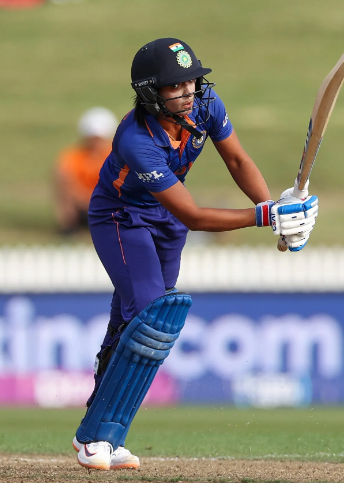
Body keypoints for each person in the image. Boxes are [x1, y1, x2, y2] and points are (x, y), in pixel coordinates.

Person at [70, 38, 318, 471]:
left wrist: (275, 215)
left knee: (137, 322)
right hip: (121, 217)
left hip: (166, 219)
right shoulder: (136, 139)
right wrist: (267, 216)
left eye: (191, 82)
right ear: (150, 92)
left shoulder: (205, 105)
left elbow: (237, 161)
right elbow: (194, 215)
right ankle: (99, 438)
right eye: (175, 86)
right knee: (151, 318)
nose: (188, 92)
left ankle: (97, 432)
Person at [54, 107, 118, 234]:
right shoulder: (73, 156)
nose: (96, 143)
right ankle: (69, 226)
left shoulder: (117, 157)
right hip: (84, 206)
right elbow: (66, 182)